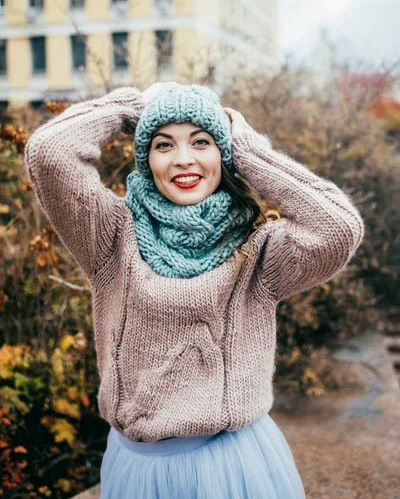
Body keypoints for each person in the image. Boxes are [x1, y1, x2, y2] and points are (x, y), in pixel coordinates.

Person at [24, 82, 364, 498]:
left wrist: (250, 152)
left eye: (201, 142)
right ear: (147, 159)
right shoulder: (111, 238)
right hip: (138, 469)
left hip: (233, 465)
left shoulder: (259, 252)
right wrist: (131, 108)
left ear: (225, 152)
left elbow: (339, 227)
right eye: (163, 145)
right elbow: (49, 153)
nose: (183, 159)